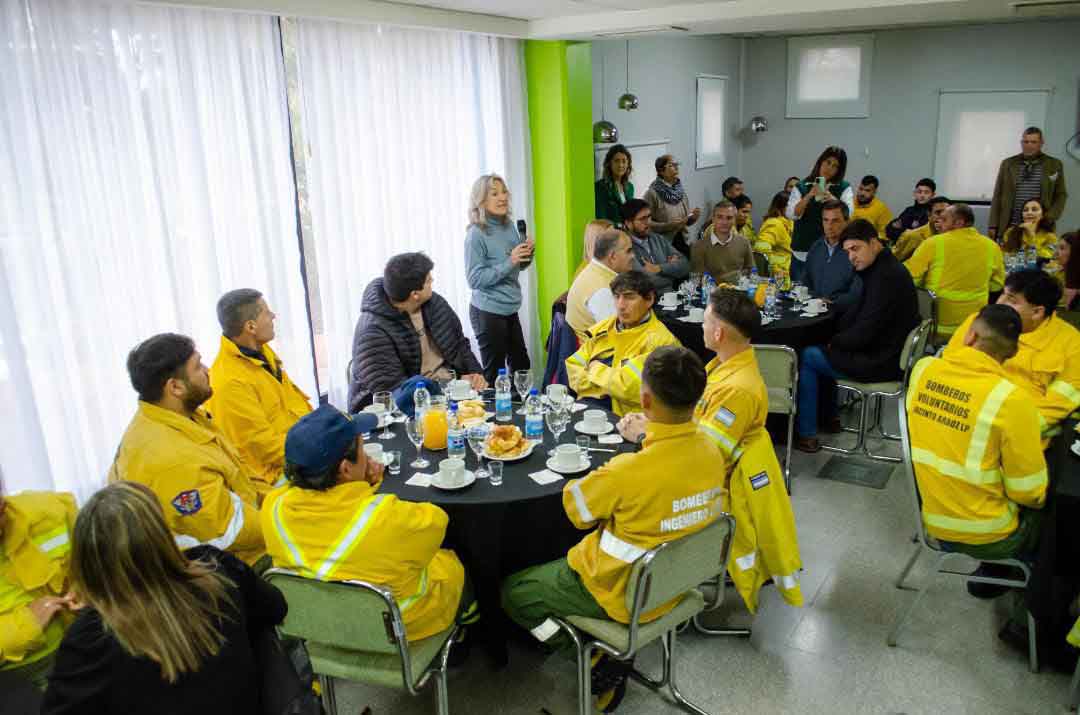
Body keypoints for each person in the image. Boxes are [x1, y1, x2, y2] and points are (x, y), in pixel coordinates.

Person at [502, 346, 725, 712]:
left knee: (514, 593)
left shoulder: (626, 472)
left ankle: (595, 658)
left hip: (621, 590)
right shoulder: (711, 451)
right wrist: (644, 440)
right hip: (679, 581)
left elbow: (575, 509)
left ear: (645, 400)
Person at [616, 290, 803, 612]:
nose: (701, 327)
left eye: (705, 321)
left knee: (623, 490)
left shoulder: (737, 388)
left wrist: (646, 434)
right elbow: (697, 427)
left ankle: (637, 584)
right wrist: (651, 420)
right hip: (701, 468)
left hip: (711, 490)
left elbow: (704, 458)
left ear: (718, 332)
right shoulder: (726, 366)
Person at [41, 482, 287, 715]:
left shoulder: (91, 640)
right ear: (162, 532)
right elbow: (276, 608)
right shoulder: (218, 570)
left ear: (87, 560)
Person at [262, 406, 472, 642]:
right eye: (363, 449)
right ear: (345, 468)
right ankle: (467, 627)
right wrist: (373, 485)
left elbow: (340, 513)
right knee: (450, 562)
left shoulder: (273, 508)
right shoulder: (387, 518)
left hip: (320, 631)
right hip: (393, 631)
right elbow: (437, 522)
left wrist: (360, 483)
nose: (367, 456)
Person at [906, 304, 1046, 566]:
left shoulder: (923, 370)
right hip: (990, 536)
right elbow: (1029, 493)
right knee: (1057, 512)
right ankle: (1025, 592)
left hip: (933, 519)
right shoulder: (1012, 400)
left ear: (970, 336)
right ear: (1013, 352)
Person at [110, 334, 266, 566]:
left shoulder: (183, 417)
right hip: (230, 567)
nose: (207, 371)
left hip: (252, 529)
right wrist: (288, 519)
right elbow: (230, 531)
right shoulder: (171, 459)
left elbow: (241, 476)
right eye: (198, 366)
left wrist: (283, 500)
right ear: (175, 387)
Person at [796, 219, 919, 452]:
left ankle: (807, 433)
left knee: (810, 355)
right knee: (823, 349)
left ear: (873, 243)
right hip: (887, 352)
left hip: (880, 361)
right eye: (847, 252)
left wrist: (836, 341)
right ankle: (829, 418)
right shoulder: (885, 268)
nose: (851, 257)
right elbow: (862, 316)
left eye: (855, 249)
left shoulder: (885, 277)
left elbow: (866, 331)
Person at [946, 270, 1080, 436]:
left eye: (1011, 300)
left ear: (1037, 312)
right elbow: (949, 368)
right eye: (1003, 293)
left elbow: (1057, 405)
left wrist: (1010, 430)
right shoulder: (981, 320)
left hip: (1022, 435)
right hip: (962, 419)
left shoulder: (1070, 342)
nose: (999, 302)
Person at [349, 252, 486, 412]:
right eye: (428, 281)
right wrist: (449, 386)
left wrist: (475, 374)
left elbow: (460, 344)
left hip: (449, 392)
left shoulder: (435, 303)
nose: (432, 282)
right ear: (415, 294)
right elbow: (396, 393)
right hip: (401, 409)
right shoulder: (372, 331)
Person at [208, 289, 312, 496]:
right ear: (251, 326)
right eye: (266, 312)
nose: (273, 316)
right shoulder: (229, 382)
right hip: (276, 476)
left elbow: (293, 403)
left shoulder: (260, 352)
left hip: (299, 449)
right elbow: (264, 447)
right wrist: (319, 449)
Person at [566, 270, 680, 415]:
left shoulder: (662, 342)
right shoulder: (604, 328)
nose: (620, 305)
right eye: (616, 297)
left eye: (629, 297)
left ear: (649, 299)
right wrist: (605, 388)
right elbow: (573, 366)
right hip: (589, 409)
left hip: (628, 421)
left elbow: (630, 388)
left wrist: (594, 369)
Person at [0, 480, 77, 691]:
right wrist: (26, 624)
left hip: (81, 651)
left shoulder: (51, 511)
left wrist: (88, 589)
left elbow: (93, 565)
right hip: (13, 682)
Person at [465, 174, 533, 384]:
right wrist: (510, 261)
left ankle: (520, 414)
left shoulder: (510, 226)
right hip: (487, 310)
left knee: (522, 366)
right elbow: (474, 279)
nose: (502, 197)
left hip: (509, 307)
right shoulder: (476, 234)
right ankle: (495, 415)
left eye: (504, 192)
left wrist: (527, 255)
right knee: (495, 374)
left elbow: (518, 267)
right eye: (494, 193)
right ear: (481, 201)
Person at [904, 203, 1005, 339]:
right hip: (972, 328)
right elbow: (997, 285)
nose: (938, 222)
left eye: (944, 219)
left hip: (935, 326)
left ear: (959, 223)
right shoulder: (992, 247)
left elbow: (909, 278)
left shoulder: (933, 243)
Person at [989, 126, 1068, 242]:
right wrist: (993, 224)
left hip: (1040, 228)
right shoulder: (1008, 164)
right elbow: (997, 195)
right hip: (1010, 226)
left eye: (1033, 142)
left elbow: (1061, 194)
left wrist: (1049, 217)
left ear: (1041, 143)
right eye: (1026, 142)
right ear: (1021, 143)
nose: (1029, 145)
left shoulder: (1054, 164)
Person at [786, 146, 855, 260]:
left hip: (831, 251)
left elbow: (849, 214)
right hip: (802, 251)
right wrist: (809, 195)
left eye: (835, 166)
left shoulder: (843, 187)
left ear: (839, 170)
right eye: (828, 162)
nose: (829, 168)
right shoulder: (802, 186)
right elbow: (791, 214)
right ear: (820, 161)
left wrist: (832, 199)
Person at [566, 228, 636, 338]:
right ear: (612, 257)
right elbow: (619, 335)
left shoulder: (594, 271)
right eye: (629, 251)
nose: (633, 256)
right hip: (603, 352)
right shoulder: (601, 291)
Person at [620, 198, 689, 293]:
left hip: (671, 297)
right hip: (645, 301)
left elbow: (685, 265)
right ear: (628, 223)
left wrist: (660, 268)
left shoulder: (658, 239)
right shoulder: (625, 246)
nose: (648, 222)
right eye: (642, 219)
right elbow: (645, 282)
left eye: (649, 217)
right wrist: (672, 272)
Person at [803, 200, 861, 308]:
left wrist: (832, 303)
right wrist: (814, 299)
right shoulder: (816, 247)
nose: (829, 226)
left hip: (841, 312)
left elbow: (857, 293)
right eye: (826, 220)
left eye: (835, 221)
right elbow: (806, 280)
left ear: (847, 222)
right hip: (814, 309)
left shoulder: (855, 251)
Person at [643, 154, 701, 256]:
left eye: (676, 165)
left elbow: (685, 221)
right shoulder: (651, 194)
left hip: (683, 240)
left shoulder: (680, 191)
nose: (676, 167)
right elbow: (645, 223)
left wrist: (693, 218)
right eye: (671, 165)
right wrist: (668, 226)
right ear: (661, 171)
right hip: (664, 245)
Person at [691, 201, 754, 283]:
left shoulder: (744, 242)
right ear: (713, 219)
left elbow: (752, 272)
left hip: (739, 292)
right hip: (711, 293)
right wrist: (731, 277)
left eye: (729, 218)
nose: (724, 222)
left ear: (735, 219)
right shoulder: (699, 246)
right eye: (720, 217)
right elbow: (698, 280)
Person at [753, 191, 794, 287]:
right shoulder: (774, 223)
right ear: (782, 207)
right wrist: (775, 269)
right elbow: (760, 251)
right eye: (792, 206)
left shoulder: (789, 222)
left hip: (788, 274)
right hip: (777, 277)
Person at [893, 195, 951, 263]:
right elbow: (894, 262)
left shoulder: (954, 236)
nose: (943, 216)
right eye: (938, 212)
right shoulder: (913, 236)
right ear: (929, 215)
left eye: (947, 213)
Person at [595, 144, 634, 224]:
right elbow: (601, 218)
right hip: (610, 234)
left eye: (624, 161)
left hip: (628, 233)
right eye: (616, 161)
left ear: (628, 164)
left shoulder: (630, 187)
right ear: (609, 163)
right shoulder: (600, 186)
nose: (620, 165)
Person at [1044, 231, 1080, 309]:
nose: (1056, 253)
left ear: (1075, 252)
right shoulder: (1056, 271)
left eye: (1062, 248)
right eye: (1057, 248)